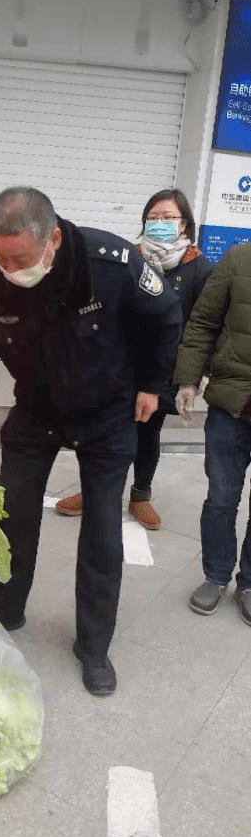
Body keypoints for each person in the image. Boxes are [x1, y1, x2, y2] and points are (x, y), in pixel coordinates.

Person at [0, 186, 181, 696]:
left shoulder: (109, 263)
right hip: (37, 410)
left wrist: (152, 385)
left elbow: (164, 317)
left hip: (108, 411)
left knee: (101, 533)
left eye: (20, 257)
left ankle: (93, 645)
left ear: (52, 239)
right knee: (13, 515)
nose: (8, 267)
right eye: (0, 255)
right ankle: (5, 610)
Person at [55, 189, 213, 529]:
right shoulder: (129, 257)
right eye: (153, 218)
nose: (159, 224)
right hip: (115, 364)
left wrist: (190, 377)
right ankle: (92, 490)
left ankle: (140, 496)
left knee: (146, 433)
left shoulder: (200, 269)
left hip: (159, 370)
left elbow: (202, 326)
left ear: (184, 223)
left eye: (168, 218)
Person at [173, 241, 251, 624]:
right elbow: (203, 322)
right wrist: (188, 380)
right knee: (222, 497)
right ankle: (216, 576)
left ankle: (250, 582)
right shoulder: (239, 258)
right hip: (231, 405)